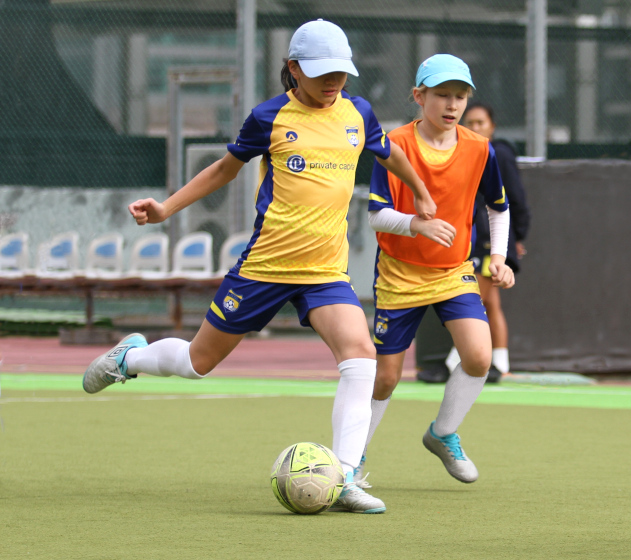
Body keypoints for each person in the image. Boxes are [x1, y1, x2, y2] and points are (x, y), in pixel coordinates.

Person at [81, 19, 435, 514]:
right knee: (196, 363)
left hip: (325, 272)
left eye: (342, 72)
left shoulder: (358, 113)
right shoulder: (269, 117)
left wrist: (418, 189)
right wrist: (166, 208)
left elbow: (388, 150)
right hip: (264, 269)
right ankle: (129, 360)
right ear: (293, 69)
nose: (334, 81)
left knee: (360, 356)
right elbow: (224, 169)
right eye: (322, 72)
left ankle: (346, 476)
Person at [361, 54, 513, 487]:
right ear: (418, 96)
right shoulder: (394, 145)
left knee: (479, 357)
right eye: (442, 95)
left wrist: (497, 257)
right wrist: (417, 225)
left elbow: (497, 208)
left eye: (460, 97)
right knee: (385, 379)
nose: (452, 104)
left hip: (454, 272)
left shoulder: (480, 149)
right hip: (399, 273)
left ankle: (443, 433)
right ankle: (352, 459)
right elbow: (376, 214)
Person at [439, 101, 530, 382]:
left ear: (492, 126)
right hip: (475, 240)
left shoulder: (498, 153)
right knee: (492, 304)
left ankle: (457, 359)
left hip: (492, 242)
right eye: (471, 123)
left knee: (476, 297)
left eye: (481, 123)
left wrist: (517, 237)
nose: (475, 127)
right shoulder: (466, 151)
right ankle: (500, 362)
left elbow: (514, 199)